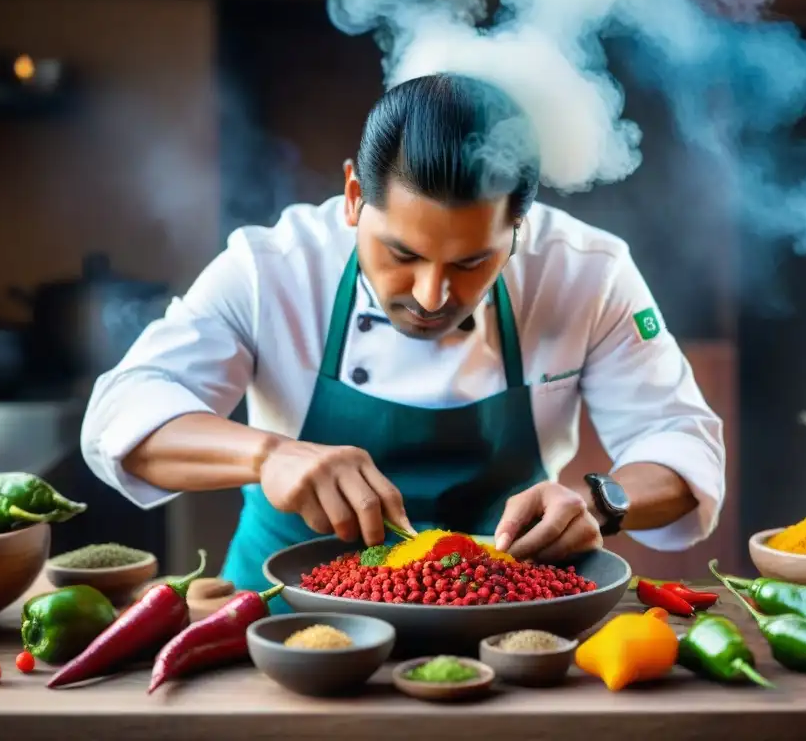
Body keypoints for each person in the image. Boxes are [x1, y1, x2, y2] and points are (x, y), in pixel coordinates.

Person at [81, 73, 725, 611]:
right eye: (402, 254)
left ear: (517, 228)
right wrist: (268, 455)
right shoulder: (271, 267)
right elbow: (122, 416)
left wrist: (600, 501)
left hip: (500, 613)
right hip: (282, 615)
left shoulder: (587, 271)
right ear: (355, 197)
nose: (430, 295)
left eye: (472, 262)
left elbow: (678, 441)